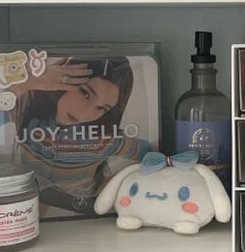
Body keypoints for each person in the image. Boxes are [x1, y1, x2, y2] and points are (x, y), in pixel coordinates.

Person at [9, 55, 150, 216]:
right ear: (63, 80)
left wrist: (121, 181)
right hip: (35, 194)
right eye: (85, 93)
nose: (86, 112)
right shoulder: (27, 109)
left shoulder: (104, 139)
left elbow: (148, 151)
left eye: (101, 108)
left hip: (87, 204)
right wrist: (32, 79)